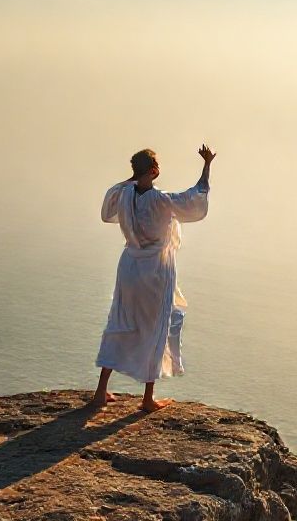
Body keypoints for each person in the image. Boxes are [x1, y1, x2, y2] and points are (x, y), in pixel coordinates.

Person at [88, 145, 215, 412]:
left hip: (130, 266)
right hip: (156, 269)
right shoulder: (162, 200)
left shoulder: (121, 194)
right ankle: (147, 399)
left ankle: (100, 392)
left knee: (119, 322)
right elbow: (195, 198)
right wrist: (207, 166)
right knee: (156, 327)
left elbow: (107, 210)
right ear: (154, 171)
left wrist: (133, 177)